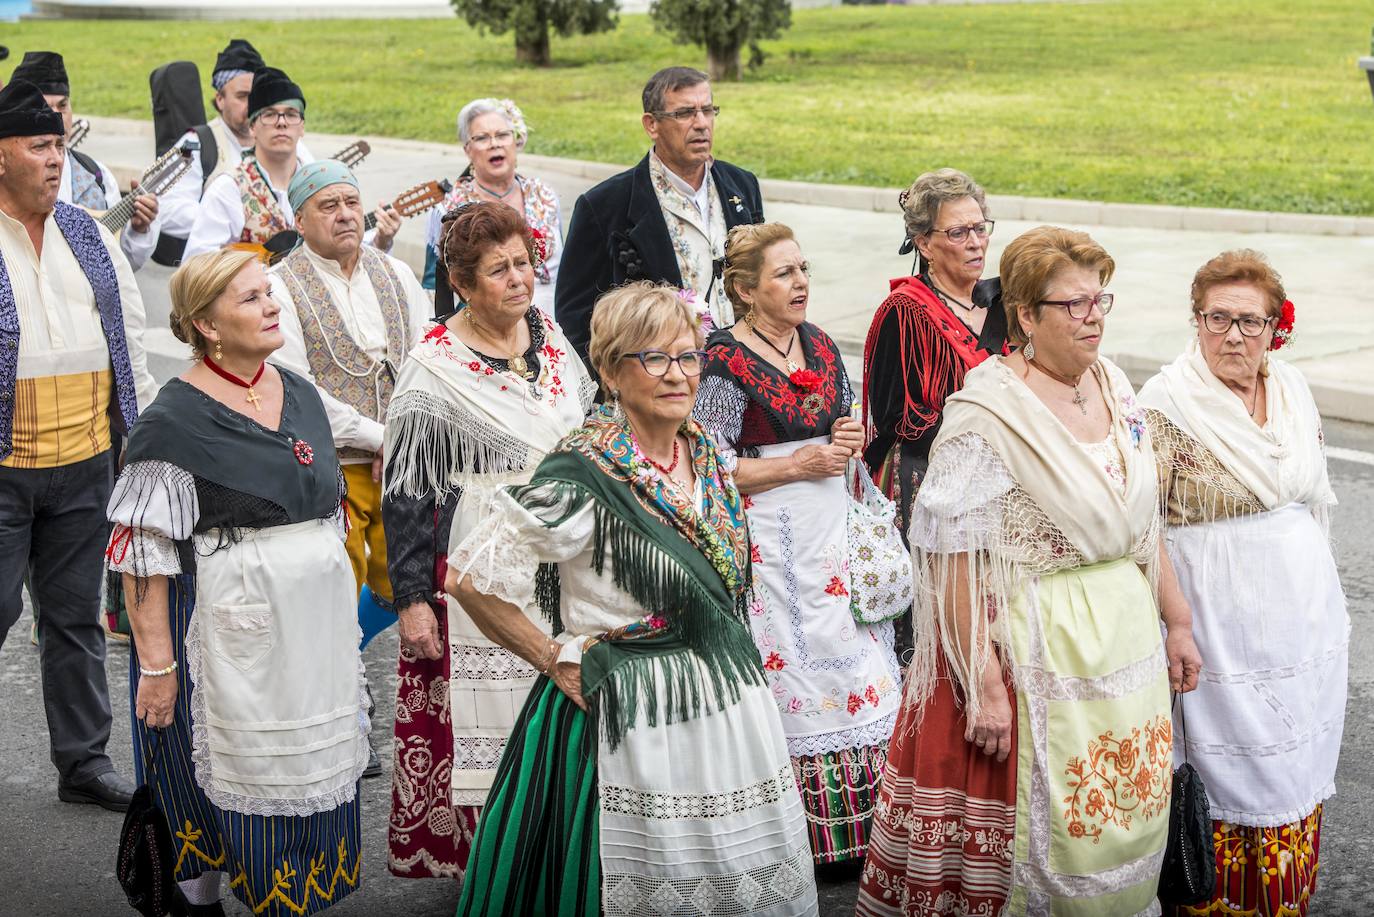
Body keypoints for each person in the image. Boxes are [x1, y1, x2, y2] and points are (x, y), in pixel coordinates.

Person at [856, 226, 1202, 916]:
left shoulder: (1113, 384)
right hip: (1037, 649)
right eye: (1071, 304)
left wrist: (1180, 620)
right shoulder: (987, 413)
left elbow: (1141, 524)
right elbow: (952, 560)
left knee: (1121, 816)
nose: (1093, 315)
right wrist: (982, 682)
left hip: (1124, 648)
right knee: (1053, 837)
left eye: (1099, 298)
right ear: (1024, 315)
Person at [446, 280, 818, 916]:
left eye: (688, 356)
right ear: (611, 372)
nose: (678, 375)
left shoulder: (704, 454)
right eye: (654, 358)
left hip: (724, 706)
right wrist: (554, 657)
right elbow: (468, 578)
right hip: (630, 710)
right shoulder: (582, 473)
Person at [109, 248, 369, 916]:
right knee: (215, 786)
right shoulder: (172, 421)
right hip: (223, 637)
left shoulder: (299, 389)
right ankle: (200, 900)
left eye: (269, 292)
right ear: (208, 325)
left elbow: (359, 446)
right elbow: (144, 558)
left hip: (311, 637)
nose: (272, 304)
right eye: (251, 298)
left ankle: (291, 896)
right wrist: (158, 667)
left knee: (308, 775)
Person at [380, 201, 593, 879]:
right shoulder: (433, 367)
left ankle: (563, 847)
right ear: (464, 284)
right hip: (484, 555)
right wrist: (413, 598)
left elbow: (588, 427)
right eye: (498, 270)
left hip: (569, 553)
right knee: (493, 719)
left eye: (523, 263)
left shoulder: (550, 336)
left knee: (569, 692)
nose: (517, 279)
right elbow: (407, 491)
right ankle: (501, 862)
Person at [1138, 250, 1347, 917]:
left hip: (1300, 619)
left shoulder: (1290, 390)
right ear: (1196, 321)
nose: (1233, 336)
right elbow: (1143, 527)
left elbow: (1314, 498)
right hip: (1216, 622)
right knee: (1224, 763)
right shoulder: (1166, 404)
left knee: (1293, 760)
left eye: (1249, 321)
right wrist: (1176, 623)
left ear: (1274, 327)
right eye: (1218, 318)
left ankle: (1283, 900)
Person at [694, 223, 901, 869]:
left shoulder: (817, 342)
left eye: (803, 268)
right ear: (746, 290)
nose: (801, 282)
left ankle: (871, 828)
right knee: (790, 662)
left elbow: (845, 421)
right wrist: (794, 465)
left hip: (829, 525)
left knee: (853, 652)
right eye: (784, 273)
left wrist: (844, 439)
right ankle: (802, 834)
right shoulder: (724, 360)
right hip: (769, 538)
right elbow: (705, 465)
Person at [0, 78, 158, 812]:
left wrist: (145, 438)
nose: (55, 159)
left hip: (85, 462)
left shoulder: (88, 232)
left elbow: (127, 337)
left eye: (59, 144)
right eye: (38, 146)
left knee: (74, 619)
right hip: (3, 470)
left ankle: (84, 762)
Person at [269, 159, 431, 776]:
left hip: (407, 463)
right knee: (336, 588)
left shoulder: (394, 272)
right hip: (334, 465)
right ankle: (341, 713)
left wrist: (412, 434)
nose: (343, 215)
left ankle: (337, 664)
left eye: (350, 203)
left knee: (406, 587)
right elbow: (297, 388)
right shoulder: (280, 286)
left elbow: (425, 358)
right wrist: (379, 434)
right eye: (327, 205)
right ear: (300, 217)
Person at [555, 66, 763, 367]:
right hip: (659, 381)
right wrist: (616, 383)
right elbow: (575, 315)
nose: (702, 123)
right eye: (685, 113)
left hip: (745, 372)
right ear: (651, 124)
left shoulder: (742, 185)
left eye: (708, 110)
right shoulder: (603, 206)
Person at [184, 67, 399, 260]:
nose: (281, 122)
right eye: (269, 115)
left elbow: (346, 257)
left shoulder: (322, 186)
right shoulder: (228, 188)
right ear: (252, 128)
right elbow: (196, 263)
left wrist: (382, 241)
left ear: (302, 127)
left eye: (291, 114)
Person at [156, 39, 316, 265]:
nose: (252, 104)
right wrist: (228, 216)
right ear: (220, 99)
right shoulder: (196, 143)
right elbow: (166, 208)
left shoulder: (290, 144)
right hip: (222, 267)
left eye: (256, 96)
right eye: (242, 96)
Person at [9, 51, 160, 272]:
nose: (57, 117)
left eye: (63, 106)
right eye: (45, 107)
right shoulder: (8, 179)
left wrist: (139, 228)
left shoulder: (97, 176)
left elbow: (121, 264)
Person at [422, 98, 562, 311]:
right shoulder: (449, 209)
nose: (494, 144)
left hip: (553, 320)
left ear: (515, 141)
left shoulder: (545, 195)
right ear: (468, 149)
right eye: (482, 138)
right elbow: (435, 288)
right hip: (485, 327)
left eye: (502, 135)